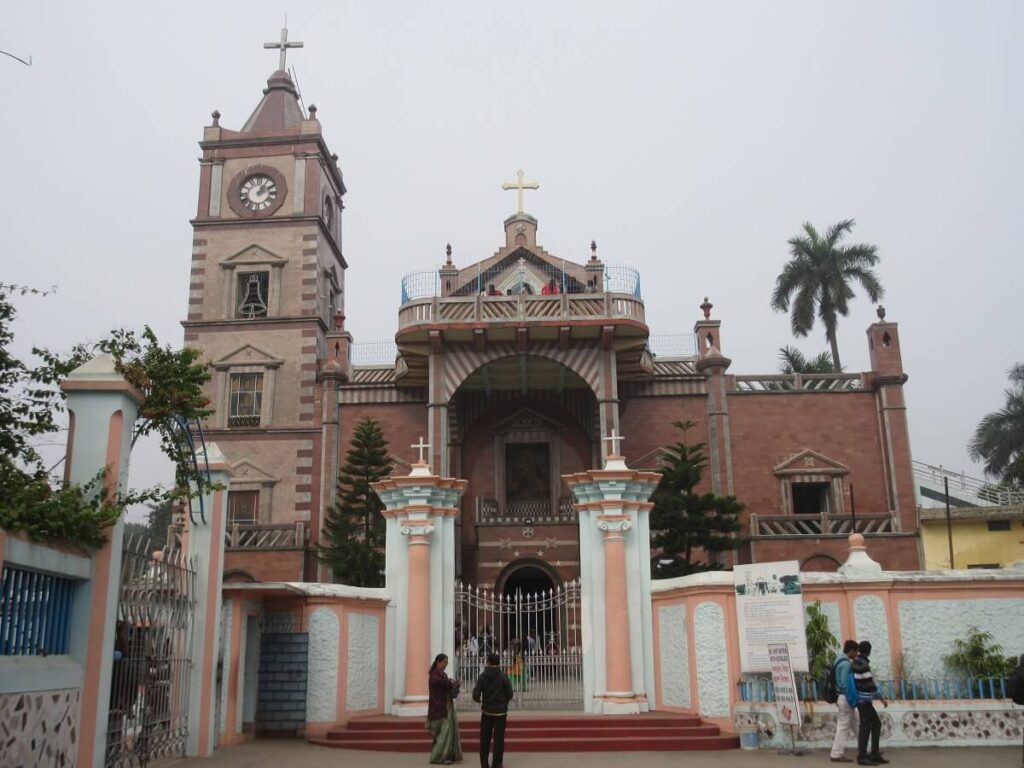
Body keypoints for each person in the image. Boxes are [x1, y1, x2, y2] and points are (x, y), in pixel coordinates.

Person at [851, 640, 888, 766]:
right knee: (870, 725)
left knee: (869, 725)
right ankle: (864, 755)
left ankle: (872, 753)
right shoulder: (863, 664)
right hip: (865, 700)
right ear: (869, 651)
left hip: (860, 699)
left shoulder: (856, 662)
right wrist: (881, 698)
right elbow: (869, 684)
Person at [473, 652, 513, 768]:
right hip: (501, 712)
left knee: (485, 739)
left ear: (488, 662)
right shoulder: (503, 676)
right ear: (498, 662)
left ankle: (484, 763)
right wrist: (504, 701)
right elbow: (510, 694)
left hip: (487, 711)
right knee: (499, 739)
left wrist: (480, 700)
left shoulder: (483, 676)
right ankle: (497, 763)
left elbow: (475, 694)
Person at [427, 653, 462, 765]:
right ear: (438, 662)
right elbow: (437, 683)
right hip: (439, 708)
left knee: (446, 733)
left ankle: (447, 755)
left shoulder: (444, 675)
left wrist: (456, 686)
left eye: (447, 662)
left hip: (447, 707)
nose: (446, 664)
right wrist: (450, 682)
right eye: (445, 662)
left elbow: (451, 693)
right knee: (444, 734)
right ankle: (439, 757)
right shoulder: (434, 675)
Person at [830, 639, 861, 763]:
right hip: (845, 697)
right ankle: (836, 754)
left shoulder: (838, 659)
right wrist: (853, 699)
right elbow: (844, 684)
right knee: (843, 726)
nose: (857, 655)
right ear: (851, 650)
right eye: (856, 652)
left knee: (857, 723)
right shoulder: (846, 664)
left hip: (842, 697)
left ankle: (865, 749)